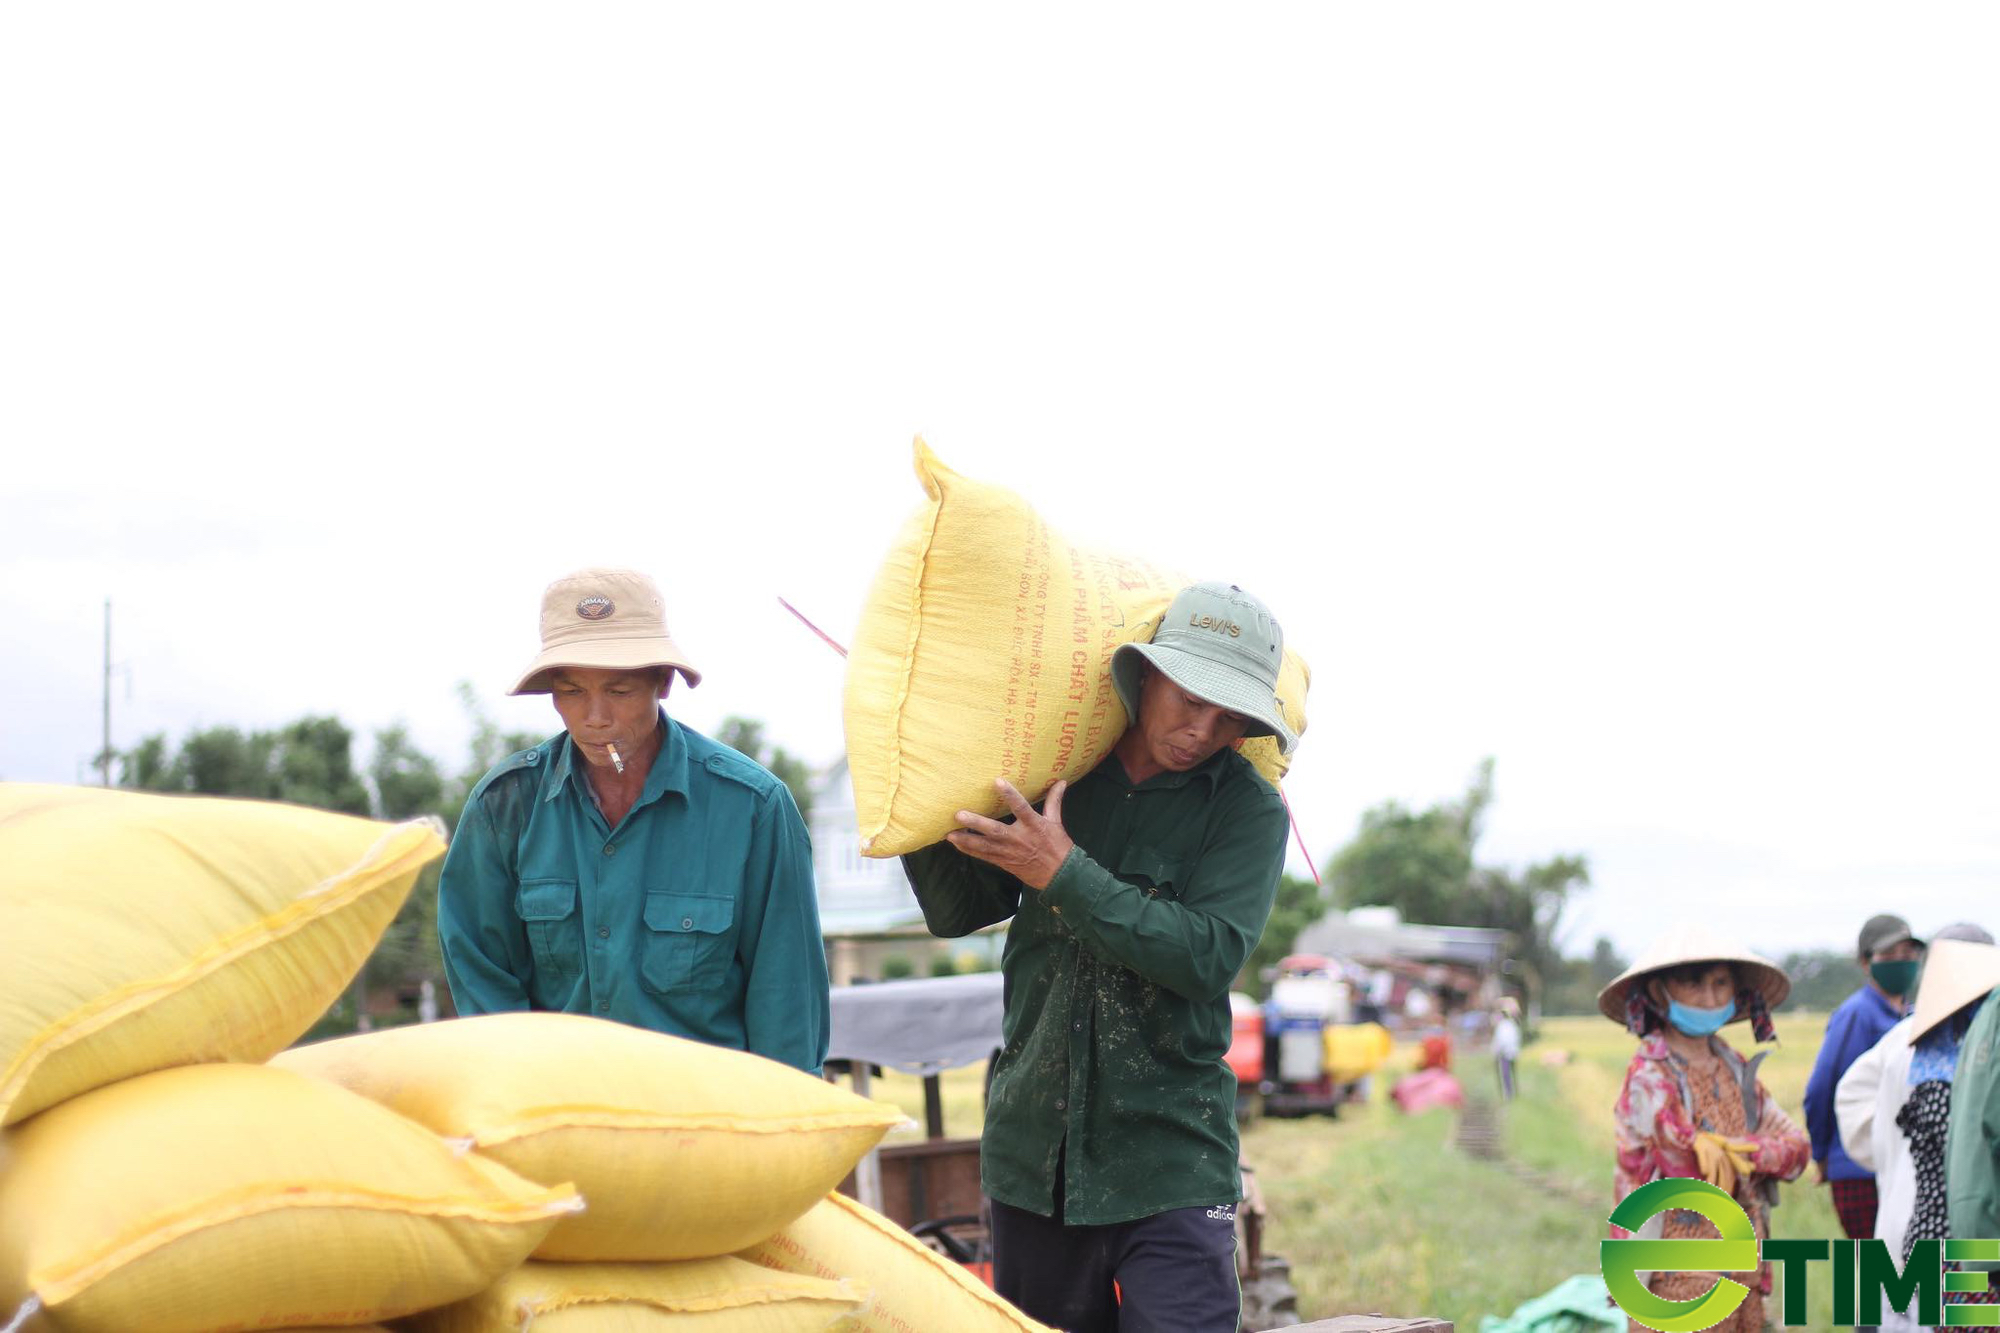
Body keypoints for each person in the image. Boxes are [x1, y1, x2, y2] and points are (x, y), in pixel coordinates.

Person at [900, 581, 1295, 1333]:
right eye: (1189, 700)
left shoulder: (1245, 810)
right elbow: (956, 910)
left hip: (1172, 1158)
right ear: (1144, 674)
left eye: (1228, 717)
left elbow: (1207, 956)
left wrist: (1063, 872)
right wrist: (918, 778)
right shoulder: (1056, 771)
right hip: (1034, 1158)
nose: (1202, 730)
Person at [438, 567, 829, 1074]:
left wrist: (790, 1133)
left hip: (710, 1131)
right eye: (572, 690)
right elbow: (482, 979)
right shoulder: (504, 806)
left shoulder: (752, 808)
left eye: (619, 692)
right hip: (558, 1125)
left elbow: (787, 1003)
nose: (594, 717)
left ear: (661, 682)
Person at [1599, 924, 1811, 1333]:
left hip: (1740, 1264)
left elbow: (1797, 1148)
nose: (1711, 998)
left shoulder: (1736, 1070)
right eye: (1694, 985)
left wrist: (1743, 1151)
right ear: (1661, 993)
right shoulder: (1649, 1075)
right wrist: (1752, 1151)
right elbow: (1683, 1155)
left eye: (1720, 984)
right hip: (1671, 1269)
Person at [1836, 924, 1997, 1331]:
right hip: (1959, 1233)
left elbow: (1849, 1096)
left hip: (1911, 1219)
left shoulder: (1904, 1035)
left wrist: (1888, 1149)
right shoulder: (1983, 1041)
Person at [1804, 913, 1927, 1246]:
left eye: (1908, 955)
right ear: (1865, 962)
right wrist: (1822, 1155)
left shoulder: (1914, 1015)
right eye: (1889, 956)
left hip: (1896, 1160)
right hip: (1858, 1166)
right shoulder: (1857, 1013)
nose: (1901, 964)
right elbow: (1822, 1087)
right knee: (1884, 1275)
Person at [1492, 999, 1523, 1102]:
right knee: (1511, 1074)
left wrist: (1497, 1052)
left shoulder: (1503, 1026)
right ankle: (1512, 1093)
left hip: (1505, 1054)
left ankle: (1508, 1094)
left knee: (1506, 1075)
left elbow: (1501, 1041)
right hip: (1512, 1053)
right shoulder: (1512, 1025)